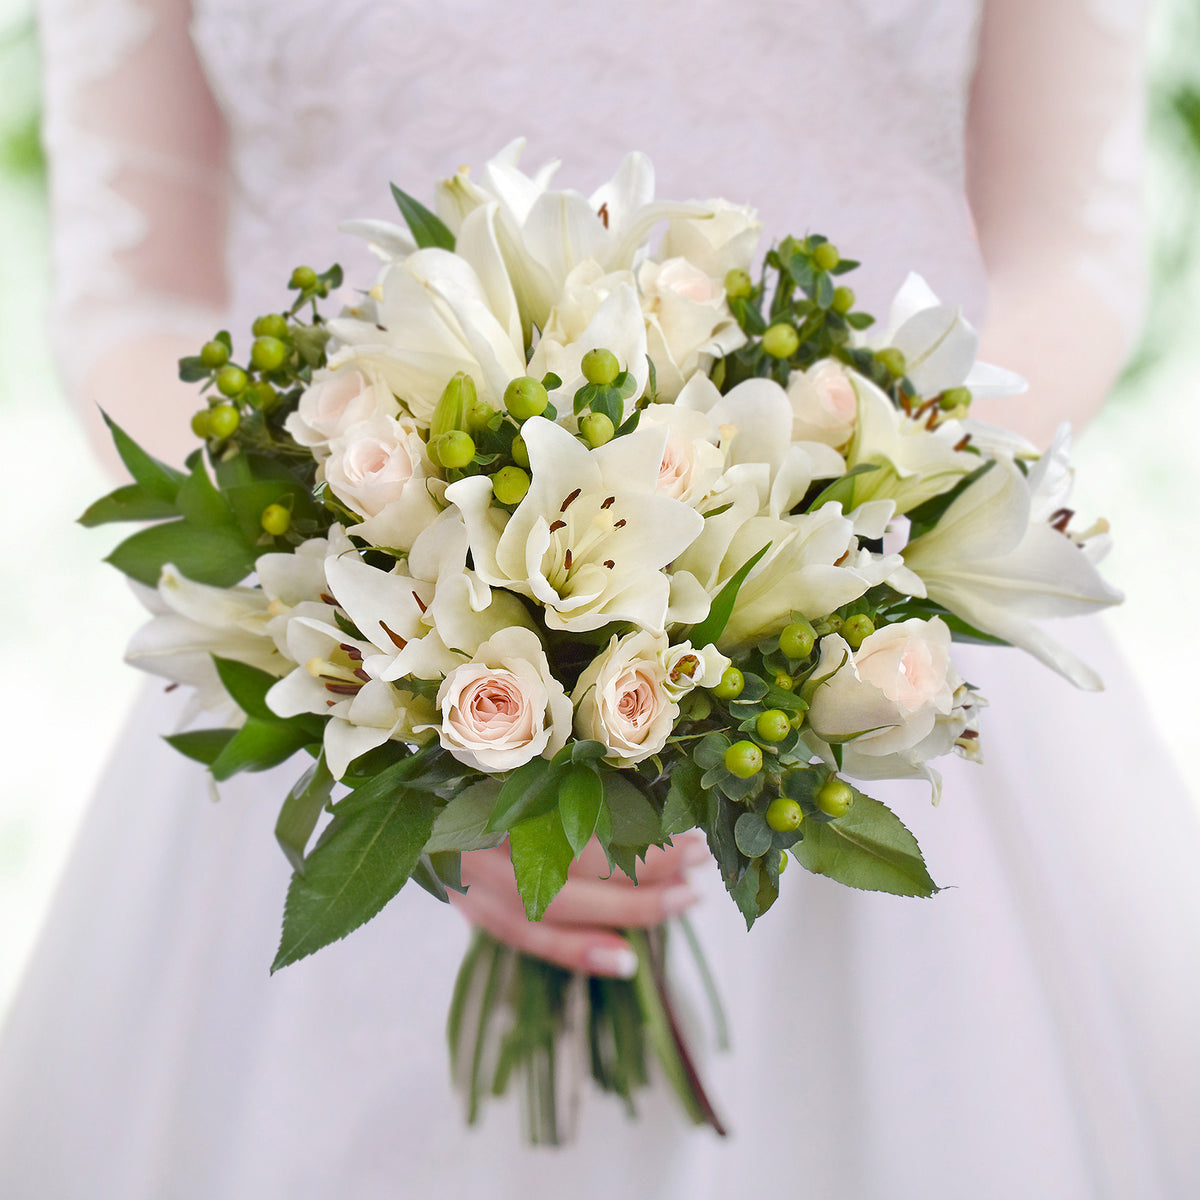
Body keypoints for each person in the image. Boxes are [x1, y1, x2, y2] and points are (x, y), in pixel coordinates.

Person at [2, 0, 1197, 1196]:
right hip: (352, 650)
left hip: (874, 651)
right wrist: (405, 677)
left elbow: (1069, 248)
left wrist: (814, 573)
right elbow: (135, 292)